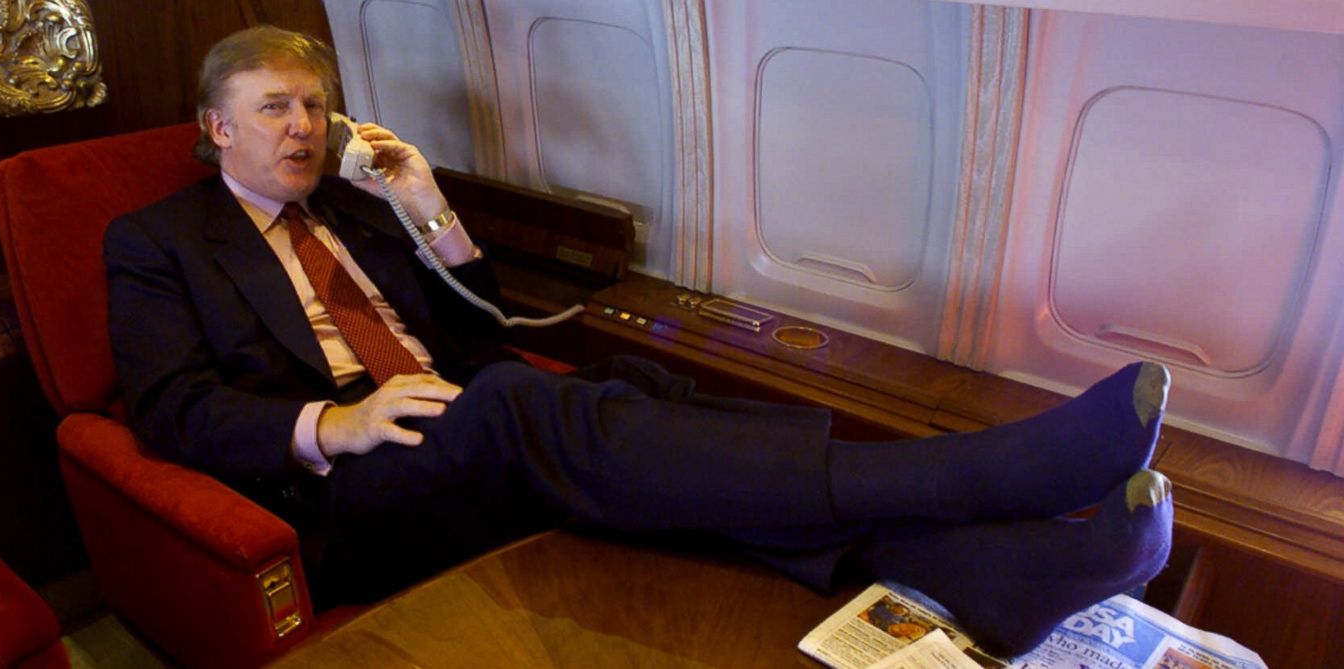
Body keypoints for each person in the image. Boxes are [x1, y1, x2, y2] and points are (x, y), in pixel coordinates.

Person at [103, 25, 1174, 657]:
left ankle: (974, 572)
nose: (301, 126)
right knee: (521, 399)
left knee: (635, 381)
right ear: (217, 127)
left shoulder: (357, 206)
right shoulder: (157, 242)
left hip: (457, 427)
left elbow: (475, 320)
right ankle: (963, 475)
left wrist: (425, 203)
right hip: (353, 492)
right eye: (273, 108)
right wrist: (336, 424)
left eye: (313, 106)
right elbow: (168, 408)